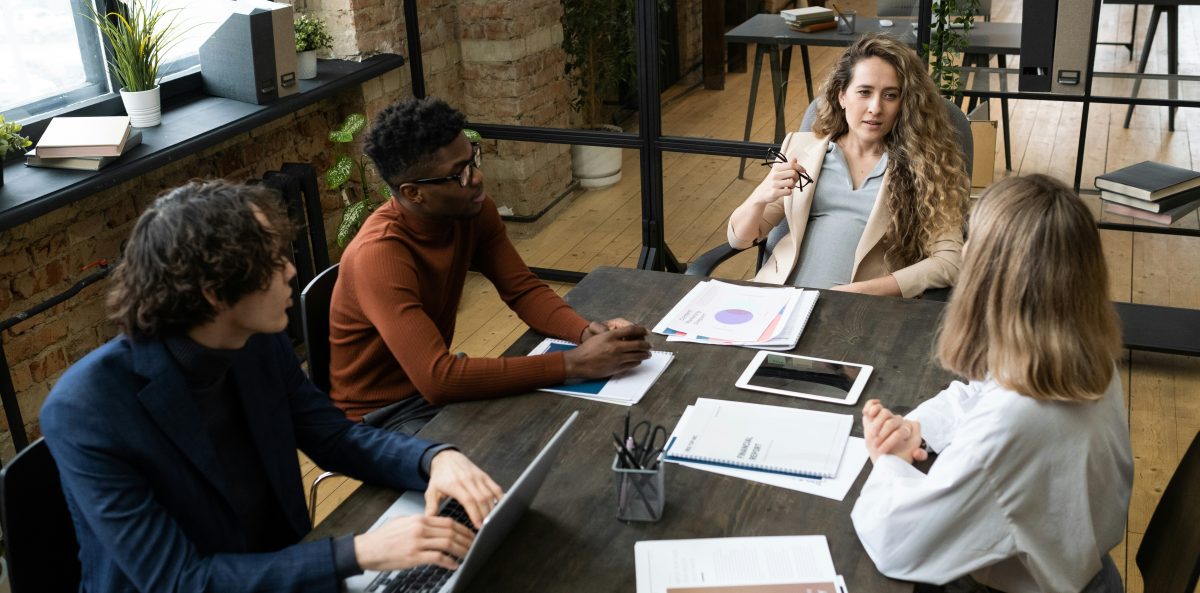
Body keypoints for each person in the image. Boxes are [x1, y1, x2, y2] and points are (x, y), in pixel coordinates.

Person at [40, 180, 505, 593]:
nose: (290, 271)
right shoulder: (86, 408)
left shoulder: (254, 339)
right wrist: (361, 553)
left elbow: (334, 437)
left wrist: (433, 458)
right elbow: (178, 580)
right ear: (214, 292)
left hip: (286, 568)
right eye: (272, 260)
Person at [850, 175, 1133, 593]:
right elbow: (979, 392)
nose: (963, 251)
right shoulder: (1082, 355)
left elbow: (897, 539)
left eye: (973, 242)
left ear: (995, 276)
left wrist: (887, 459)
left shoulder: (1014, 421)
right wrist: (916, 429)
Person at [328, 97, 651, 429]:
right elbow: (439, 379)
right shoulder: (380, 256)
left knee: (564, 427)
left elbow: (522, 290)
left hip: (431, 392)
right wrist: (573, 364)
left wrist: (583, 332)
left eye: (473, 160)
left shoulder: (471, 210)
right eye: (460, 174)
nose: (478, 178)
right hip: (379, 418)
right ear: (413, 193)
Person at [727, 33, 968, 297]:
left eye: (890, 95)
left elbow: (949, 262)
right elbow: (740, 238)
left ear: (904, 103)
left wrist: (861, 291)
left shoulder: (926, 166)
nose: (875, 108)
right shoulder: (801, 149)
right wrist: (760, 197)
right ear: (842, 95)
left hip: (860, 311)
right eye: (864, 92)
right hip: (781, 299)